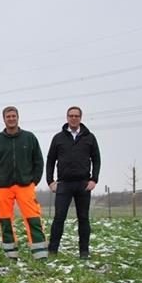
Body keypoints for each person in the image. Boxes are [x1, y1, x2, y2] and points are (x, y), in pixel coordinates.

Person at [0, 106, 47, 260]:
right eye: (8, 116)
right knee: (5, 222)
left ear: (18, 117)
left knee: (33, 219)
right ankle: (11, 255)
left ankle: (40, 255)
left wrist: (33, 181)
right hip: (3, 187)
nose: (11, 119)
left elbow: (39, 161)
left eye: (13, 116)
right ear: (4, 119)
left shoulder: (29, 138)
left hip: (25, 186)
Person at [46, 106, 101, 259]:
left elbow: (96, 159)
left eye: (76, 116)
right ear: (67, 118)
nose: (73, 118)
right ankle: (52, 251)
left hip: (83, 184)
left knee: (83, 218)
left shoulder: (89, 137)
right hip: (63, 184)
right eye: (71, 115)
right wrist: (50, 181)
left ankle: (84, 252)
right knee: (59, 218)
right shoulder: (58, 138)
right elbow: (50, 160)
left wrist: (94, 179)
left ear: (81, 118)